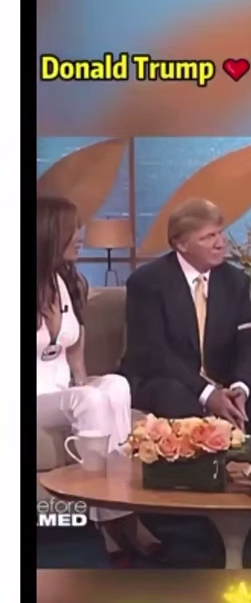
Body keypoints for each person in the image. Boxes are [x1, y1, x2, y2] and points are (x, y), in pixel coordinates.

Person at [121, 198, 251, 556]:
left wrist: (240, 388)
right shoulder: (148, 282)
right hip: (161, 380)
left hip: (221, 383)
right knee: (174, 394)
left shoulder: (234, 281)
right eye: (208, 237)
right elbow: (153, 352)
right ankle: (203, 516)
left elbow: (247, 343)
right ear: (181, 243)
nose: (220, 243)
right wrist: (207, 394)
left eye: (220, 233)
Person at [37, 195, 164, 566]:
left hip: (59, 391)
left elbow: (75, 344)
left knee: (115, 385)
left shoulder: (65, 281)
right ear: (48, 234)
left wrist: (82, 378)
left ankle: (118, 506)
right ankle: (115, 519)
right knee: (89, 400)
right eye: (72, 229)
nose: (81, 236)